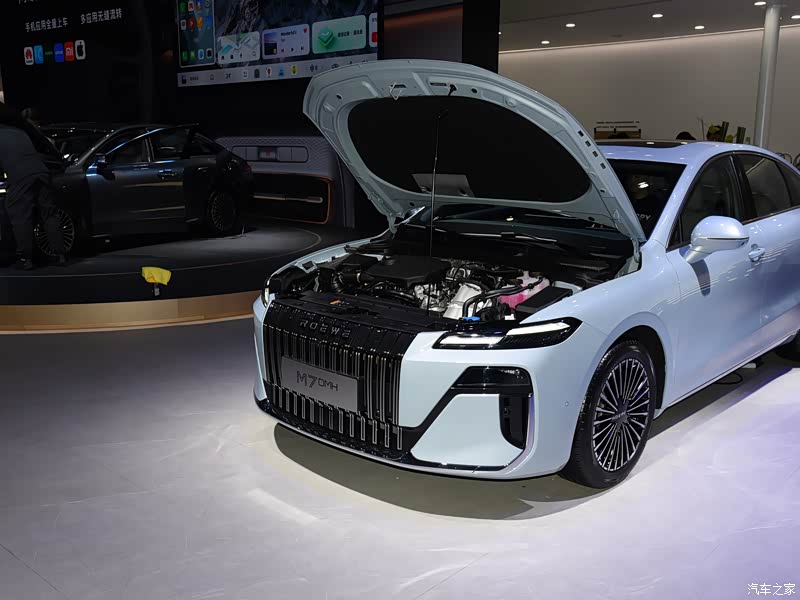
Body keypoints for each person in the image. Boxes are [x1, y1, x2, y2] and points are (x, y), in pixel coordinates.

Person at [0, 103, 65, 269]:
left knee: (20, 216)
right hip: (41, 172)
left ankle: (25, 259)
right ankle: (59, 255)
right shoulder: (21, 131)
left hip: (21, 176)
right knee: (49, 214)